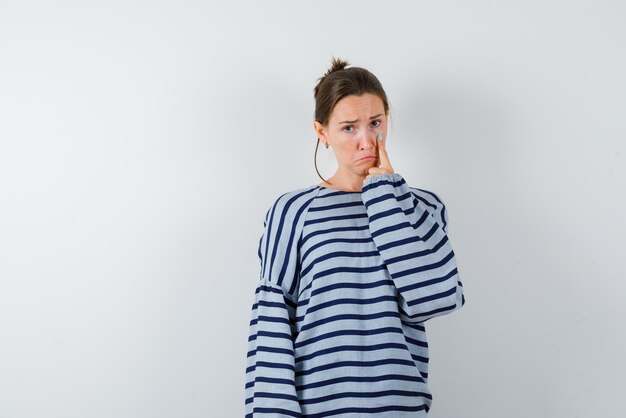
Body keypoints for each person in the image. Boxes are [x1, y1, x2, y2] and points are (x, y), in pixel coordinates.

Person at [244, 57, 466, 417]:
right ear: (322, 133)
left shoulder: (422, 207)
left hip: (400, 408)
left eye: (375, 123)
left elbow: (436, 300)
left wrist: (383, 194)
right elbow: (272, 323)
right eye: (349, 128)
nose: (367, 141)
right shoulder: (293, 211)